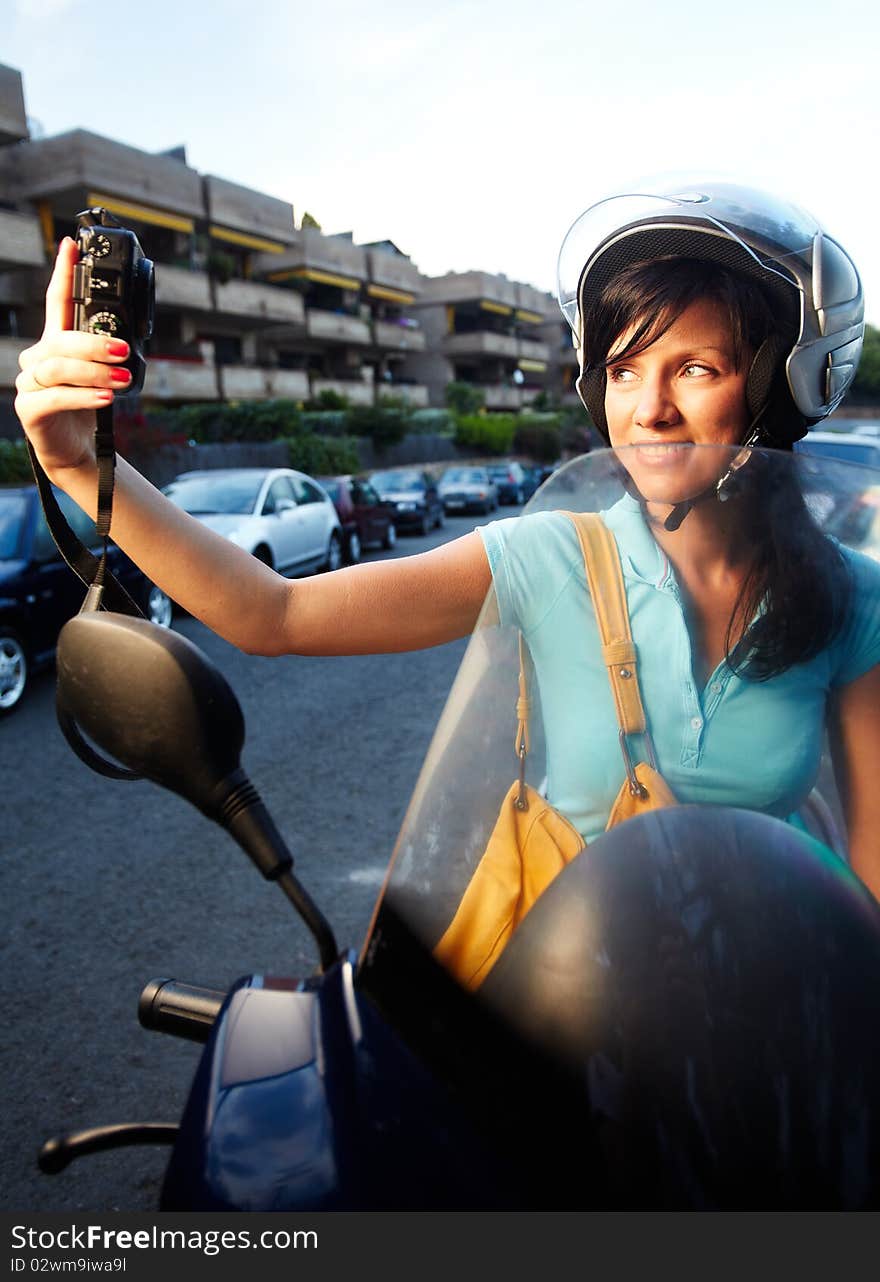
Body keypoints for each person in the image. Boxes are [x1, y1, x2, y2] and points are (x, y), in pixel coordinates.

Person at [14, 179, 880, 904]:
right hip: (578, 1009)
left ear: (779, 389)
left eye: (696, 368)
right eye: (621, 370)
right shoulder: (549, 557)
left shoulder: (849, 597)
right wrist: (75, 460)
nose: (648, 409)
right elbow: (270, 613)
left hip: (772, 1018)